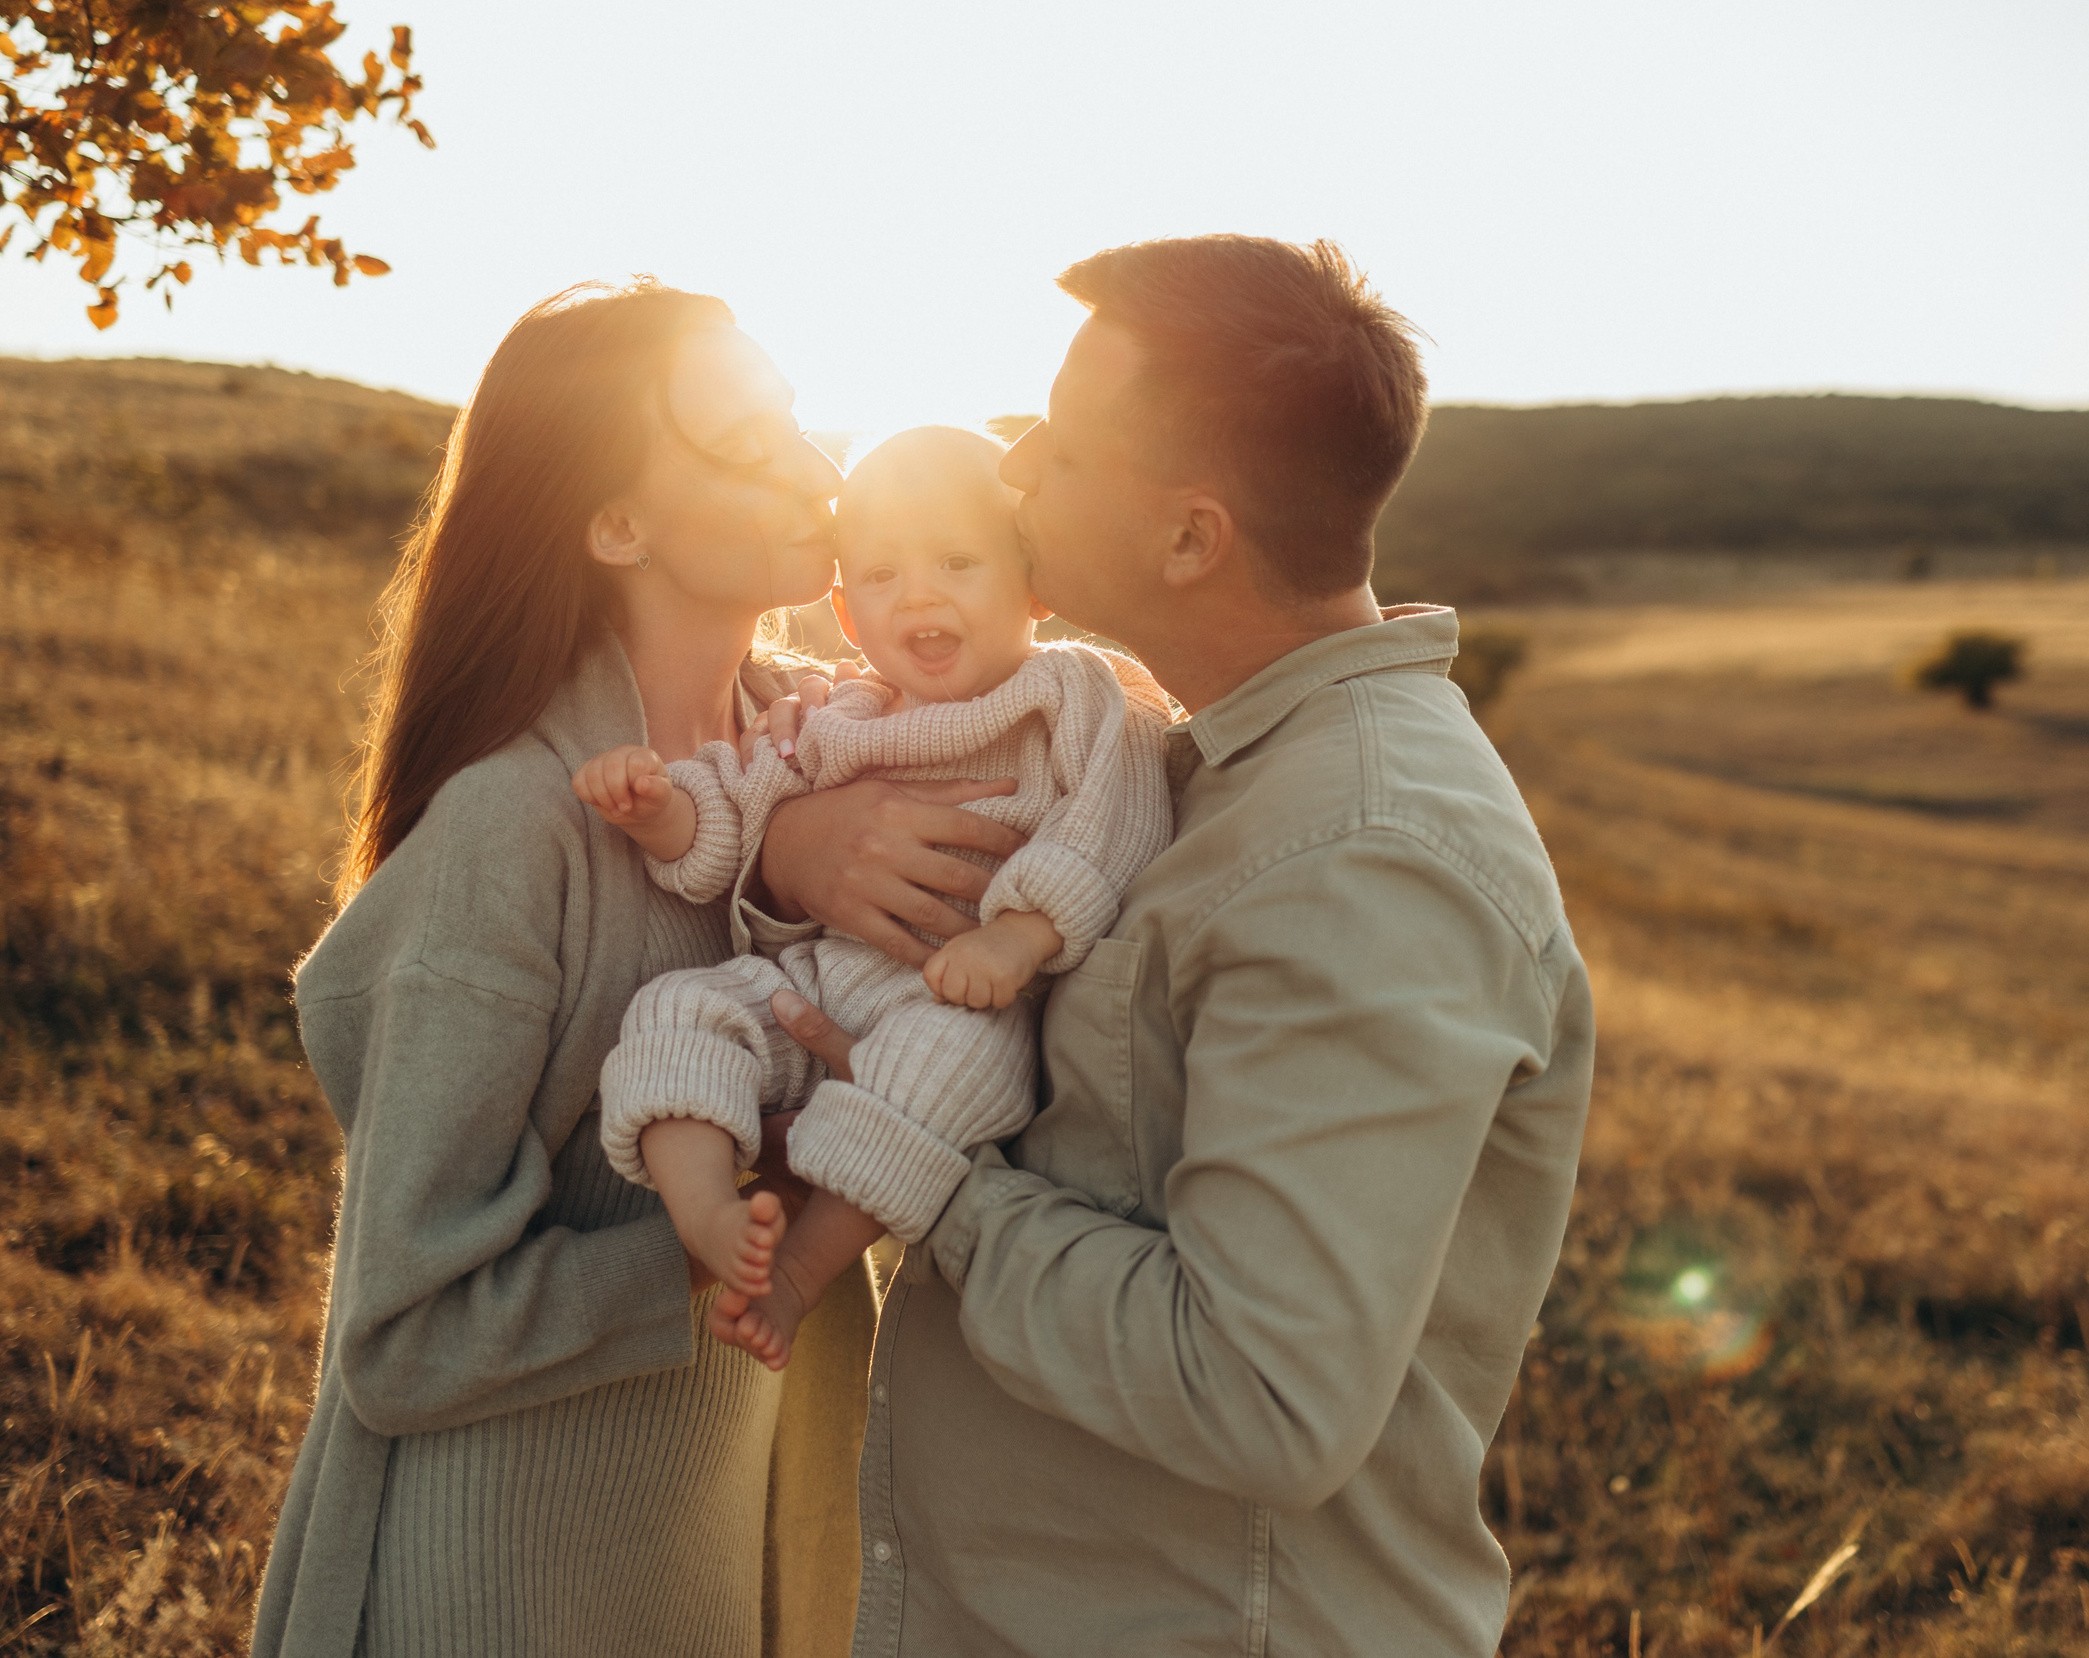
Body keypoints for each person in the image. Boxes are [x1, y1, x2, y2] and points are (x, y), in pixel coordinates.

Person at [766, 235, 1595, 1654]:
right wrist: (799, 847)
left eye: (1066, 450)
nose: (1015, 471)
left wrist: (922, 1166)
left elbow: (1259, 1388)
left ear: (1191, 537)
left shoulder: (1363, 856)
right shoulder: (1186, 758)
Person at [251, 281, 1023, 1658]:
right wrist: (751, 1214)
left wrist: (786, 849)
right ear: (617, 523)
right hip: (499, 1583)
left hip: (718, 1552)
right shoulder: (509, 831)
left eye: (797, 416)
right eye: (746, 437)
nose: (821, 467)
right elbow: (402, 1332)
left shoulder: (841, 738)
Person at [573, 426, 1173, 1371]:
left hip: (962, 998)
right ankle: (710, 1216)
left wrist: (1018, 936)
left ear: (1035, 585)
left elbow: (1115, 818)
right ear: (851, 618)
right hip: (815, 978)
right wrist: (659, 812)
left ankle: (800, 1272)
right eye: (884, 575)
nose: (920, 593)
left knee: (940, 1075)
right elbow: (737, 807)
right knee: (678, 1007)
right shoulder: (841, 712)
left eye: (958, 562)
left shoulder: (1073, 695)